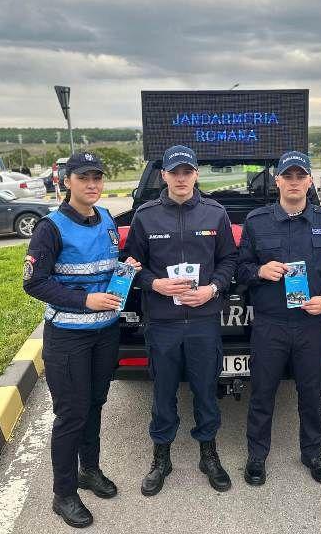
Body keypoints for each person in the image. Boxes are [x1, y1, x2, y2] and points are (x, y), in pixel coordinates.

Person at [23, 151, 141, 529]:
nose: (92, 185)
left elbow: (106, 266)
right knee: (71, 414)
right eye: (83, 178)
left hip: (105, 333)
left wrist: (126, 269)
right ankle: (64, 493)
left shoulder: (106, 218)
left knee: (94, 404)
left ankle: (89, 471)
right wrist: (84, 300)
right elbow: (34, 283)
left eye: (97, 178)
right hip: (69, 337)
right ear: (66, 181)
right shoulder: (51, 228)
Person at [122, 145, 238, 496]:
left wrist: (212, 289)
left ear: (196, 174)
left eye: (187, 172)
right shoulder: (145, 216)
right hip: (163, 321)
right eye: (175, 172)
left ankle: (209, 454)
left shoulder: (215, 213)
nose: (182, 178)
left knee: (206, 390)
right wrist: (154, 284)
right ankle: (162, 458)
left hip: (203, 319)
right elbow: (132, 266)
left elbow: (229, 261)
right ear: (164, 176)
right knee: (163, 392)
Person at [236, 151, 321, 486]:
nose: (295, 182)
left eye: (301, 176)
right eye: (288, 176)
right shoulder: (257, 221)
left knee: (312, 393)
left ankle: (313, 453)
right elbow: (240, 269)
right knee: (262, 394)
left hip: (311, 324)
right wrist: (259, 270)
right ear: (278, 181)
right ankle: (257, 456)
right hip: (270, 323)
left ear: (310, 181)